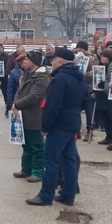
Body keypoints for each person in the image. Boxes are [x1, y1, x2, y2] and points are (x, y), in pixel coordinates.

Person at [26, 47, 84, 206]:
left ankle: (46, 195)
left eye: (53, 59)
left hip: (59, 125)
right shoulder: (78, 77)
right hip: (72, 122)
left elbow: (52, 106)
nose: (51, 62)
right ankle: (68, 194)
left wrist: (45, 126)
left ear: (61, 61)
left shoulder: (59, 79)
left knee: (51, 161)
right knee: (69, 159)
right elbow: (85, 101)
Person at [13, 50, 50, 182]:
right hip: (24, 114)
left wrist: (18, 104)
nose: (24, 62)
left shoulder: (43, 76)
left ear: (34, 62)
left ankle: (38, 171)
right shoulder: (28, 74)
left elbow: (34, 96)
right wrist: (15, 103)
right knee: (26, 144)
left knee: (37, 145)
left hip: (35, 115)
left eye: (27, 60)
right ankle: (26, 169)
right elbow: (20, 90)